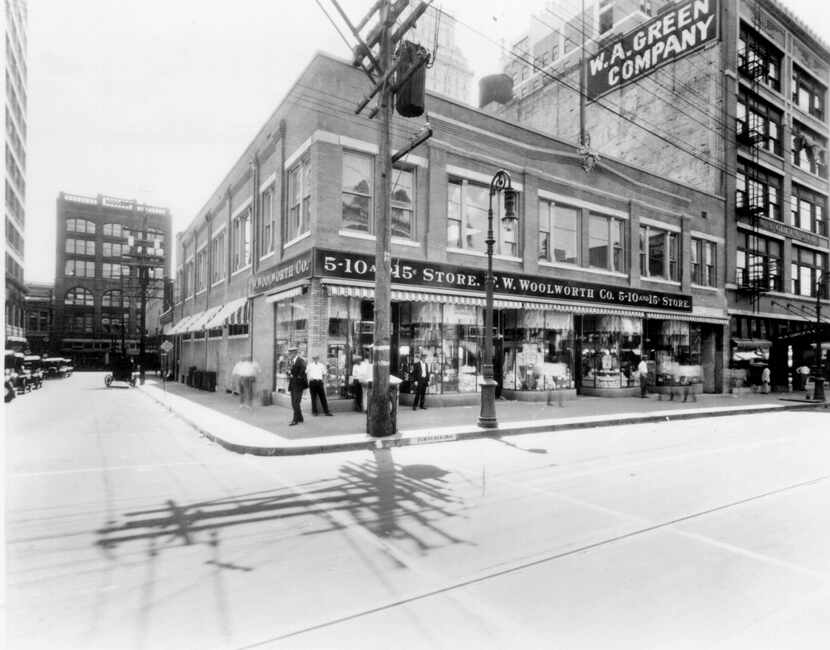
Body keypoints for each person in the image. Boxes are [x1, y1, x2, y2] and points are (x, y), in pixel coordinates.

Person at [287, 346, 307, 425]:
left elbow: (302, 371)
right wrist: (289, 373)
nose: (289, 354)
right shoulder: (291, 361)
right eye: (289, 353)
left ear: (295, 353)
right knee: (293, 402)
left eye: (291, 353)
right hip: (292, 384)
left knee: (296, 402)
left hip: (298, 385)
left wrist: (295, 376)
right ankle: (300, 418)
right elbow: (290, 371)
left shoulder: (301, 360)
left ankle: (295, 420)